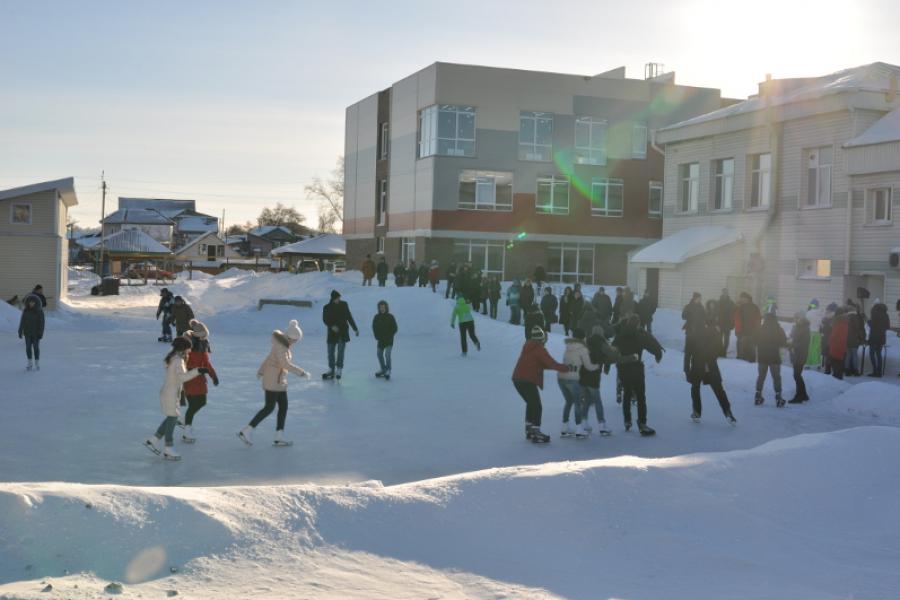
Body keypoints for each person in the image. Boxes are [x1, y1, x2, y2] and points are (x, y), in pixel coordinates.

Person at [238, 320, 309, 447]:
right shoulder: (281, 347)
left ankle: (279, 435)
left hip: (278, 380)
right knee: (269, 408)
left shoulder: (282, 345)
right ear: (291, 338)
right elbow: (285, 364)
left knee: (283, 407)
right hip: (273, 381)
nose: (296, 343)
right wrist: (301, 373)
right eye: (296, 340)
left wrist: (261, 371)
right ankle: (247, 430)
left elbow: (268, 358)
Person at [144, 337, 205, 461]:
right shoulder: (178, 361)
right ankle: (168, 448)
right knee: (172, 418)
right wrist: (198, 371)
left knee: (171, 418)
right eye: (189, 348)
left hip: (169, 392)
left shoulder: (173, 358)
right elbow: (182, 377)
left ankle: (154, 440)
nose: (190, 350)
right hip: (170, 394)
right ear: (183, 348)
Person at [512, 326, 568, 443]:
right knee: (537, 405)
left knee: (531, 403)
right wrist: (566, 368)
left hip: (517, 379)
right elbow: (551, 363)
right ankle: (536, 432)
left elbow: (542, 364)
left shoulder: (528, 346)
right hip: (527, 380)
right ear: (542, 338)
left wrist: (559, 368)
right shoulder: (539, 349)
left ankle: (529, 429)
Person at [613, 315, 664, 435]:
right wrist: (658, 354)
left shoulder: (620, 335)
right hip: (636, 369)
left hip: (623, 369)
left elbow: (612, 350)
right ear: (637, 324)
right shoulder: (640, 335)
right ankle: (642, 423)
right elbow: (652, 345)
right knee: (641, 397)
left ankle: (627, 420)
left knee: (627, 394)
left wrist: (607, 364)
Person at [684, 307, 736, 423]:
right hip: (710, 365)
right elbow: (720, 348)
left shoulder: (691, 336)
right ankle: (728, 412)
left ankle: (697, 412)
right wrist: (712, 356)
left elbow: (687, 355)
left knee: (695, 388)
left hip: (697, 365)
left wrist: (686, 370)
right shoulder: (712, 332)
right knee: (718, 389)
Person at [581, 325, 635, 436]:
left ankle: (584, 423)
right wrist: (629, 357)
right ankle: (602, 426)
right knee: (597, 401)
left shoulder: (586, 342)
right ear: (601, 333)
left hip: (582, 373)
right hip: (592, 374)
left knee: (587, 399)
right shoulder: (601, 342)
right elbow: (613, 356)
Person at [181, 320, 219, 443]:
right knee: (199, 402)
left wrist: (214, 376)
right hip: (193, 379)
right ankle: (187, 428)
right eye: (204, 335)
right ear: (199, 335)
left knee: (196, 404)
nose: (205, 338)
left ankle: (186, 422)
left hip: (196, 378)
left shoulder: (201, 344)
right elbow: (182, 362)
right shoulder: (190, 345)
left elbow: (207, 364)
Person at [558, 328, 598, 439]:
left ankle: (564, 427)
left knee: (569, 401)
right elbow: (588, 365)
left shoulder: (568, 347)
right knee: (577, 402)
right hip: (573, 379)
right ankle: (579, 429)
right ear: (582, 338)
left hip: (561, 378)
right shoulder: (582, 349)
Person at [321, 290, 359, 380]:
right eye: (337, 298)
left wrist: (355, 328)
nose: (338, 299)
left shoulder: (344, 304)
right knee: (330, 352)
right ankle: (331, 369)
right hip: (332, 333)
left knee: (340, 352)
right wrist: (332, 326)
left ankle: (339, 369)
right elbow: (325, 319)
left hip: (342, 332)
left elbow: (349, 317)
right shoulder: (327, 307)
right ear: (332, 298)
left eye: (339, 298)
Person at [754, 312, 787, 406]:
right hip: (775, 357)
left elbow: (754, 341)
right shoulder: (779, 329)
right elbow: (783, 343)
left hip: (762, 357)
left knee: (761, 377)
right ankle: (778, 397)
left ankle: (758, 396)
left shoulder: (760, 329)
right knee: (776, 377)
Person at [18, 294, 45, 371]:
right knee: (28, 348)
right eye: (30, 302)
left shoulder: (39, 311)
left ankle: (37, 362)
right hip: (27, 333)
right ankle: (29, 362)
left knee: (36, 348)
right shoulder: (26, 311)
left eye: (33, 302)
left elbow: (42, 323)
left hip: (36, 334)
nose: (31, 304)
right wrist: (20, 331)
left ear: (36, 303)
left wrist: (40, 333)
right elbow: (22, 321)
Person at [788, 312, 810, 403]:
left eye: (798, 318)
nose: (796, 320)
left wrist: (792, 344)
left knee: (797, 375)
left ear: (802, 319)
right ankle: (804, 395)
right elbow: (792, 337)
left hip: (800, 354)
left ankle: (799, 396)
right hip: (795, 354)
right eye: (795, 318)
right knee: (797, 375)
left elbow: (803, 344)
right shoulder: (796, 327)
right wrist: (789, 341)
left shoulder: (805, 329)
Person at [372, 300, 398, 379]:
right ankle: (383, 369)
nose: (382, 309)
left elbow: (395, 328)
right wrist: (376, 336)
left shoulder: (390, 317)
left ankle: (388, 370)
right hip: (381, 340)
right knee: (379, 354)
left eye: (383, 307)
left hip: (389, 340)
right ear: (379, 308)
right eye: (380, 307)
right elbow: (374, 327)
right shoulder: (376, 317)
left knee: (387, 354)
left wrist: (390, 335)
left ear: (386, 307)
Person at [735, 293, 760, 362]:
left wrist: (757, 331)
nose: (742, 299)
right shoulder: (739, 307)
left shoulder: (754, 307)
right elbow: (736, 319)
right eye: (741, 298)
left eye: (743, 298)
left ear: (747, 299)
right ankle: (740, 361)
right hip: (741, 332)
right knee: (741, 348)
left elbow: (758, 319)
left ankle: (751, 362)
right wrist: (738, 331)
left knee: (751, 348)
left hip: (751, 332)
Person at [868, 300, 891, 377]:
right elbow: (888, 326)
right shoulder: (886, 314)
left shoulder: (875, 313)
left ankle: (874, 371)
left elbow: (872, 324)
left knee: (871, 354)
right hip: (881, 338)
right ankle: (879, 372)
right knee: (878, 354)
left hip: (874, 337)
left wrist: (868, 322)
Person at [827, 307, 849, 380]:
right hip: (842, 345)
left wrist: (829, 341)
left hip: (836, 346)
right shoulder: (846, 322)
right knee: (840, 363)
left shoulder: (838, 323)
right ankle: (839, 378)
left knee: (835, 363)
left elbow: (834, 335)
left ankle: (836, 380)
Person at [844, 301, 865, 376]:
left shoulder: (846, 317)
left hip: (846, 339)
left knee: (848, 355)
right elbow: (858, 329)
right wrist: (861, 338)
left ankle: (847, 370)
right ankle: (855, 370)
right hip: (854, 339)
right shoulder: (856, 317)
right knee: (854, 355)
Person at [805, 299, 825, 369]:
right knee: (816, 349)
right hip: (817, 333)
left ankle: (807, 364)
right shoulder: (821, 314)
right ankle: (817, 364)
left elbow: (805, 323)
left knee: (808, 348)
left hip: (809, 332)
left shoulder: (808, 313)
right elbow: (822, 324)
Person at [717, 289, 736, 357]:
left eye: (726, 292)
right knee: (719, 339)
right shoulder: (718, 302)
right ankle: (720, 351)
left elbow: (734, 313)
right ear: (722, 293)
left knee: (726, 340)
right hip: (720, 324)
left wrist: (733, 323)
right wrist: (716, 323)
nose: (725, 293)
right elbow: (716, 313)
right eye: (724, 292)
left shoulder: (731, 303)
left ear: (728, 293)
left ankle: (724, 352)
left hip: (728, 324)